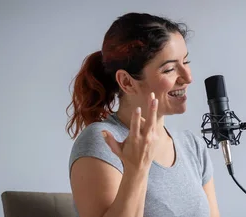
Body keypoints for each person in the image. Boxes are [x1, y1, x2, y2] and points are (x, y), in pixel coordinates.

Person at [65, 12, 220, 217]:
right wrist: (136, 169)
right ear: (127, 82)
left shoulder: (192, 146)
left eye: (186, 61)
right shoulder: (103, 141)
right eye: (169, 69)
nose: (188, 77)